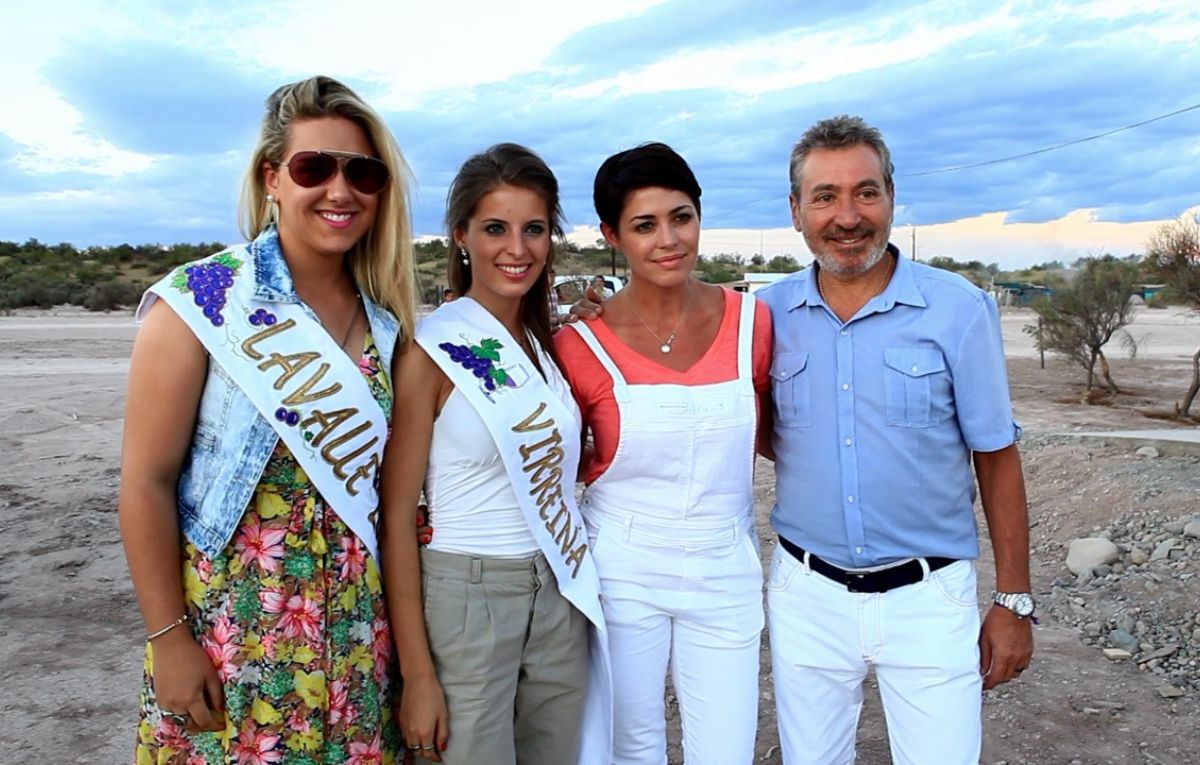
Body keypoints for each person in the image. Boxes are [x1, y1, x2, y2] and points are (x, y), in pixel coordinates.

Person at [119, 75, 416, 762]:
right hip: (234, 633)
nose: (341, 191)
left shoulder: (388, 326)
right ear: (272, 177)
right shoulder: (200, 301)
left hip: (355, 642)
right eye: (315, 167)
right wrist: (168, 638)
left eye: (362, 173)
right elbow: (145, 483)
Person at [758, 115, 1034, 764]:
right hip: (807, 596)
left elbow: (996, 457)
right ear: (796, 210)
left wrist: (1013, 600)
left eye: (866, 192)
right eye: (825, 196)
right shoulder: (761, 315)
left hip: (929, 598)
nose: (848, 215)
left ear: (891, 196)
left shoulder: (959, 309)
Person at [380, 143, 610, 765]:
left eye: (533, 229)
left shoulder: (544, 343)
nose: (517, 248)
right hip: (467, 598)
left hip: (558, 593)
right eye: (495, 229)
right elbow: (397, 517)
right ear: (460, 236)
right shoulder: (431, 351)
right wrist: (419, 675)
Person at [555, 142, 773, 764]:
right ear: (612, 235)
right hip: (622, 566)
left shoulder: (754, 323)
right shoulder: (577, 343)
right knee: (632, 744)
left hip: (725, 564)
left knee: (726, 748)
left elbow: (773, 430)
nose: (668, 240)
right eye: (644, 226)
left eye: (681, 217)